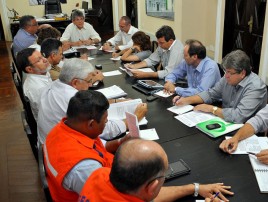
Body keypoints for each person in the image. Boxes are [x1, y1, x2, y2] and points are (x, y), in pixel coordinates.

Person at [43, 90, 145, 202]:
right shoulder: (84, 169)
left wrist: (121, 142)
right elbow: (110, 197)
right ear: (91, 124)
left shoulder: (66, 128)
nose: (106, 123)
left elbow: (98, 148)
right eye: (105, 121)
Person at [79, 139, 234, 202]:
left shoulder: (99, 174)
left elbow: (145, 195)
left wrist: (195, 188)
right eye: (163, 176)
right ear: (153, 186)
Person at [37, 58, 147, 144]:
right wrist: (135, 118)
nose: (90, 84)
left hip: (50, 141)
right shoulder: (74, 99)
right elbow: (104, 130)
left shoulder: (56, 84)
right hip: (66, 148)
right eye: (89, 81)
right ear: (75, 82)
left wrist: (116, 101)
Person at [173, 50, 267, 123]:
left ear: (242, 73)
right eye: (225, 71)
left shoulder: (256, 87)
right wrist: (187, 100)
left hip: (246, 130)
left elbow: (239, 116)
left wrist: (212, 109)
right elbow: (211, 94)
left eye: (230, 72)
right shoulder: (227, 78)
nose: (226, 76)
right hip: (225, 122)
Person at [16, 48, 52, 120]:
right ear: (29, 69)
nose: (45, 59)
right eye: (39, 60)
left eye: (42, 56)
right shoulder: (39, 88)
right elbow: (51, 113)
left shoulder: (42, 73)